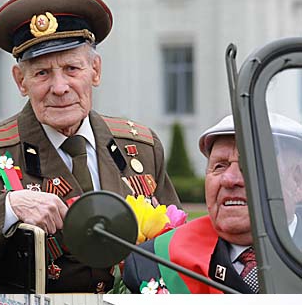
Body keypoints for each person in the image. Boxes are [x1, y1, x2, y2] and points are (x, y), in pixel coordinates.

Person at [0, 0, 178, 297]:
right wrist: (9, 209)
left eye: (71, 68)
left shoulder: (141, 147)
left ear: (94, 71)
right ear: (20, 81)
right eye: (42, 73)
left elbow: (177, 247)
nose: (59, 87)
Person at [122, 112, 302, 294]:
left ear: (298, 182)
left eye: (250, 165)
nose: (229, 179)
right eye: (219, 166)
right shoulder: (153, 262)